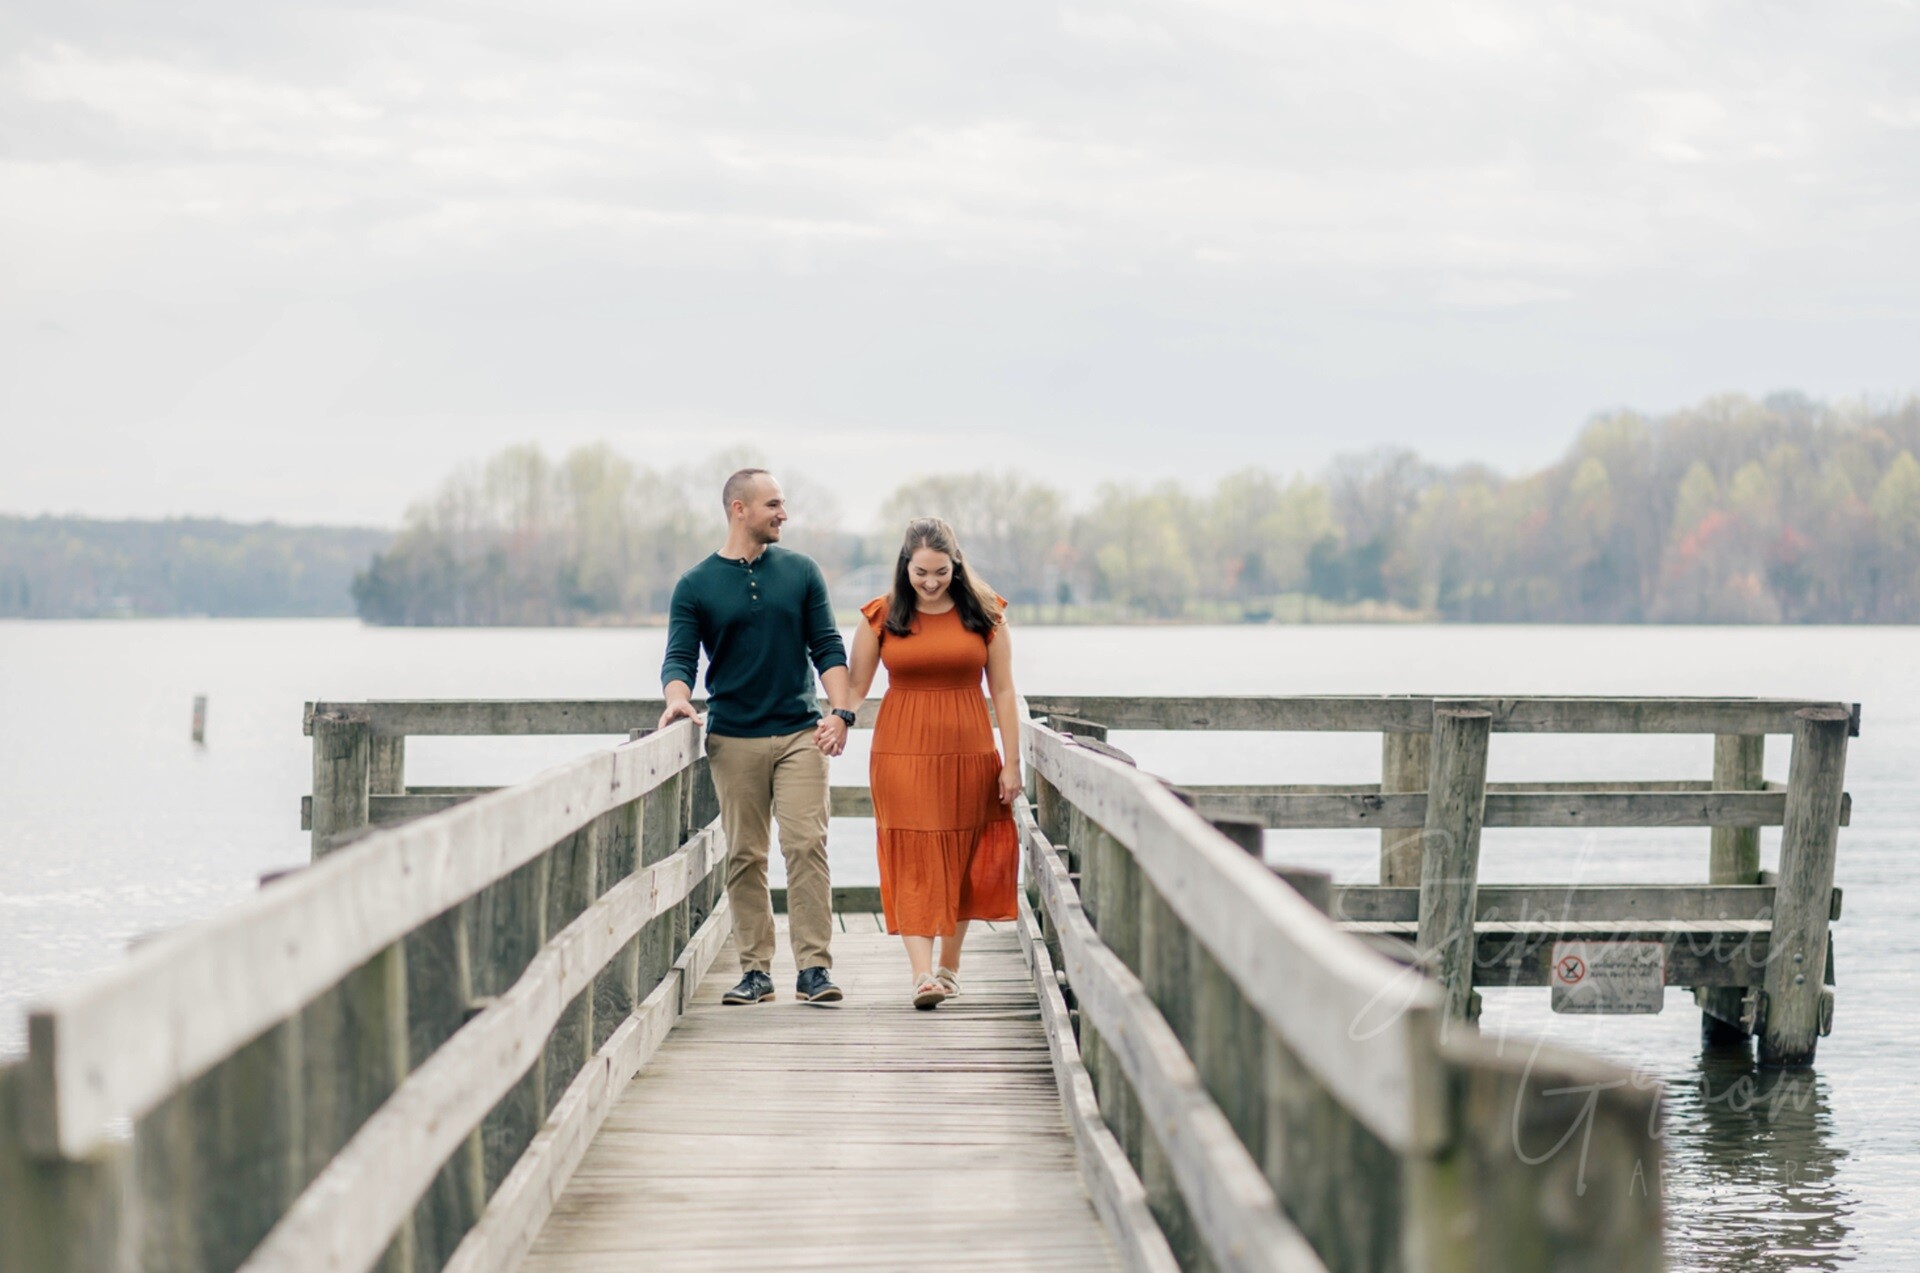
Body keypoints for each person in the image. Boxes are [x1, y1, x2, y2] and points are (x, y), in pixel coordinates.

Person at [659, 469, 862, 1006]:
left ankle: (814, 969)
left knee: (805, 846)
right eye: (773, 504)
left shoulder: (800, 571)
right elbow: (680, 657)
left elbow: (827, 647)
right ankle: (756, 971)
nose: (784, 514)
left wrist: (841, 712)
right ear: (738, 509)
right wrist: (677, 697)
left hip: (801, 732)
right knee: (746, 855)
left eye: (784, 503)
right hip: (733, 739)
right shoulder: (695, 584)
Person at [842, 517, 1021, 1009]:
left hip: (969, 751)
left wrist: (1012, 761)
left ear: (955, 564)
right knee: (915, 857)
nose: (930, 581)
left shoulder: (985, 613)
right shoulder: (882, 615)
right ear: (905, 566)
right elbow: (855, 689)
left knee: (962, 854)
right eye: (921, 572)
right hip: (901, 752)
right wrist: (838, 720)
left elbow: (1003, 691)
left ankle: (950, 967)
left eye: (940, 571)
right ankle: (922, 976)